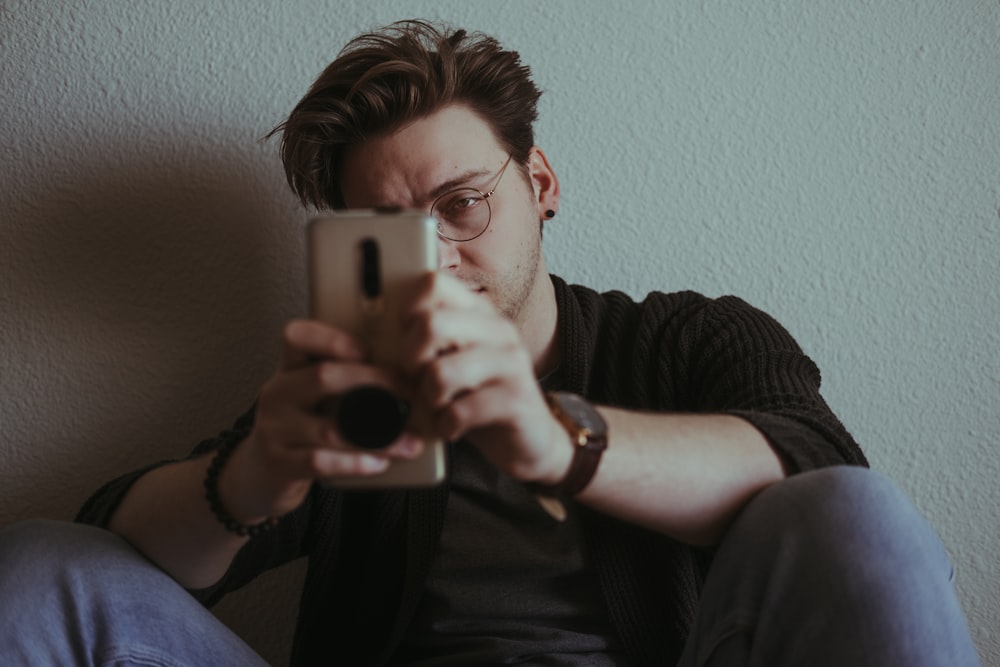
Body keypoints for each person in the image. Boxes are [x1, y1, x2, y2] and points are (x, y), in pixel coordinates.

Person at [0, 19, 980, 667]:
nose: (437, 259)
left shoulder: (686, 336)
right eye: (389, 232)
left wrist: (558, 439)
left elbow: (820, 468)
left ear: (539, 181)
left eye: (462, 205)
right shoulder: (352, 380)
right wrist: (256, 470)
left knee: (856, 511)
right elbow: (119, 543)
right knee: (43, 562)